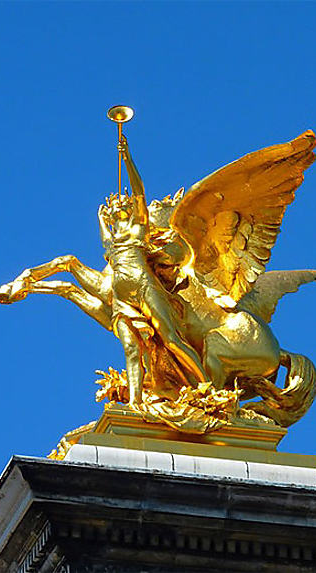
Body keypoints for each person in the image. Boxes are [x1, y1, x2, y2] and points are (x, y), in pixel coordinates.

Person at [98, 135, 209, 406]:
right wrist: (100, 219)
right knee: (131, 349)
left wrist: (127, 157)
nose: (118, 207)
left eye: (120, 205)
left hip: (144, 286)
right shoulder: (112, 239)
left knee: (171, 338)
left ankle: (206, 388)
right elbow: (105, 240)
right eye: (114, 207)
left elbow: (138, 191)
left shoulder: (139, 227)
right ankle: (135, 405)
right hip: (122, 299)